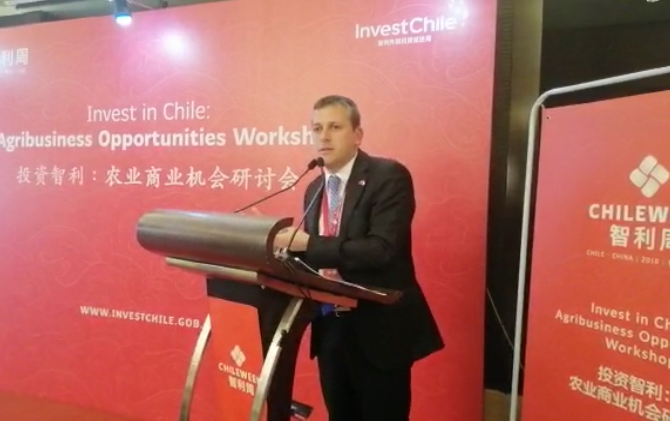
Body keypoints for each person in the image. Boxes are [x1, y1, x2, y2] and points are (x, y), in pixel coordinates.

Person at [274, 95, 444, 421]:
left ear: (357, 135)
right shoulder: (314, 188)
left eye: (335, 127)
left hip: (378, 331)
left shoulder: (388, 176)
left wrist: (308, 244)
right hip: (330, 328)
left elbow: (382, 249)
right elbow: (316, 257)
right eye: (317, 129)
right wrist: (280, 252)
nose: (324, 136)